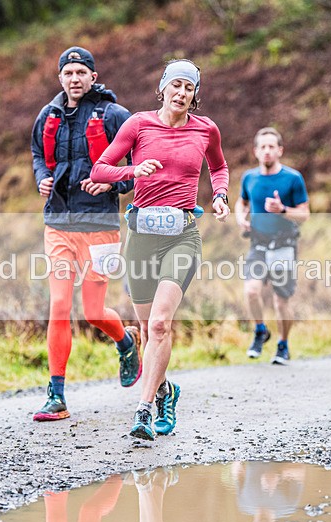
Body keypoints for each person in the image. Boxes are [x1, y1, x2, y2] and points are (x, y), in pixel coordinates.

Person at [91, 59, 230, 441]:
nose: (182, 93)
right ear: (163, 88)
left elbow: (219, 167)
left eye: (190, 88)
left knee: (159, 324)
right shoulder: (138, 124)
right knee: (146, 330)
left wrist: (219, 196)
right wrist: (131, 172)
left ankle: (144, 409)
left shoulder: (206, 129)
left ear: (195, 94)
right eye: (177, 85)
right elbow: (100, 170)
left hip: (183, 235)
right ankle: (167, 391)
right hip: (141, 237)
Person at [30, 46, 140, 422]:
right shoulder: (48, 115)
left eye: (81, 72)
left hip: (101, 226)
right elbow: (35, 153)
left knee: (93, 311)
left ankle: (126, 342)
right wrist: (42, 178)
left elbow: (138, 166)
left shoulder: (114, 115)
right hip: (58, 223)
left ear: (94, 77)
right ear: (59, 77)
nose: (74, 79)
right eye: (68, 73)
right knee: (59, 307)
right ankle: (56, 395)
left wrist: (111, 186)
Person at [234, 127, 310, 364]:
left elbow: (305, 214)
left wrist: (284, 210)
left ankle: (283, 345)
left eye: (271, 147)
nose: (267, 151)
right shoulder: (249, 177)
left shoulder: (293, 178)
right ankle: (260, 331)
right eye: (262, 147)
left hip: (284, 245)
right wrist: (240, 218)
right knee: (251, 291)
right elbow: (241, 202)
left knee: (280, 301)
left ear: (280, 150)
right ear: (256, 151)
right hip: (258, 243)